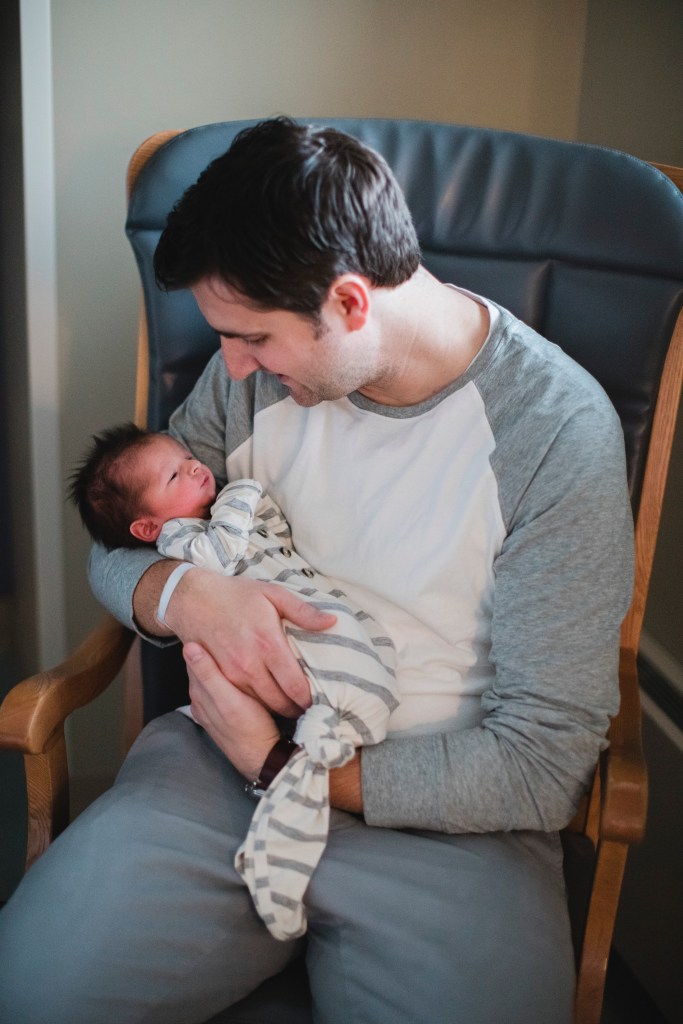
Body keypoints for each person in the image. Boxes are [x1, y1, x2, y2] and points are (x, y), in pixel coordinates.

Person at [0, 117, 634, 1024]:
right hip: (212, 783)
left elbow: (542, 765)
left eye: (252, 338)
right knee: (31, 993)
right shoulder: (252, 382)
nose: (229, 366)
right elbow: (123, 543)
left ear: (348, 303)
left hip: (449, 826)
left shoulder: (554, 433)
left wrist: (285, 763)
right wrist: (188, 594)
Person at [68, 423, 398, 940]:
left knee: (361, 671)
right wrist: (241, 493)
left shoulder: (210, 515)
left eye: (187, 457)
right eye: (175, 475)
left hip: (323, 623)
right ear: (148, 528)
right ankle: (277, 857)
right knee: (320, 739)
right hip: (289, 656)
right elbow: (216, 556)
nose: (195, 466)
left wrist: (249, 508)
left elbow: (274, 536)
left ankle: (306, 768)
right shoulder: (182, 538)